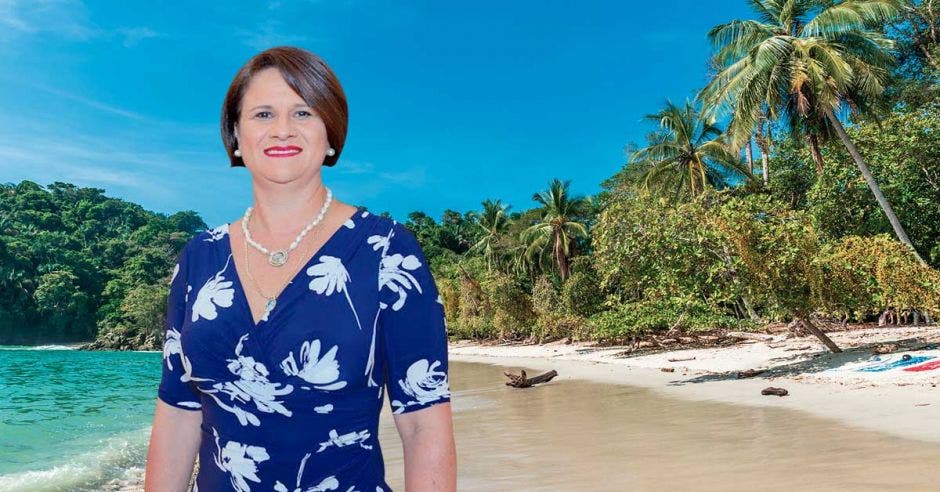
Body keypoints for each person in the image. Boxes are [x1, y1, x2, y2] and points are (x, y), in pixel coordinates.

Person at [145, 46, 457, 492]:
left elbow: (424, 423)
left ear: (331, 133)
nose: (283, 130)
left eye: (304, 112)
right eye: (263, 115)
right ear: (235, 134)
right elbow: (178, 412)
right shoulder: (198, 259)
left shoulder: (386, 251)